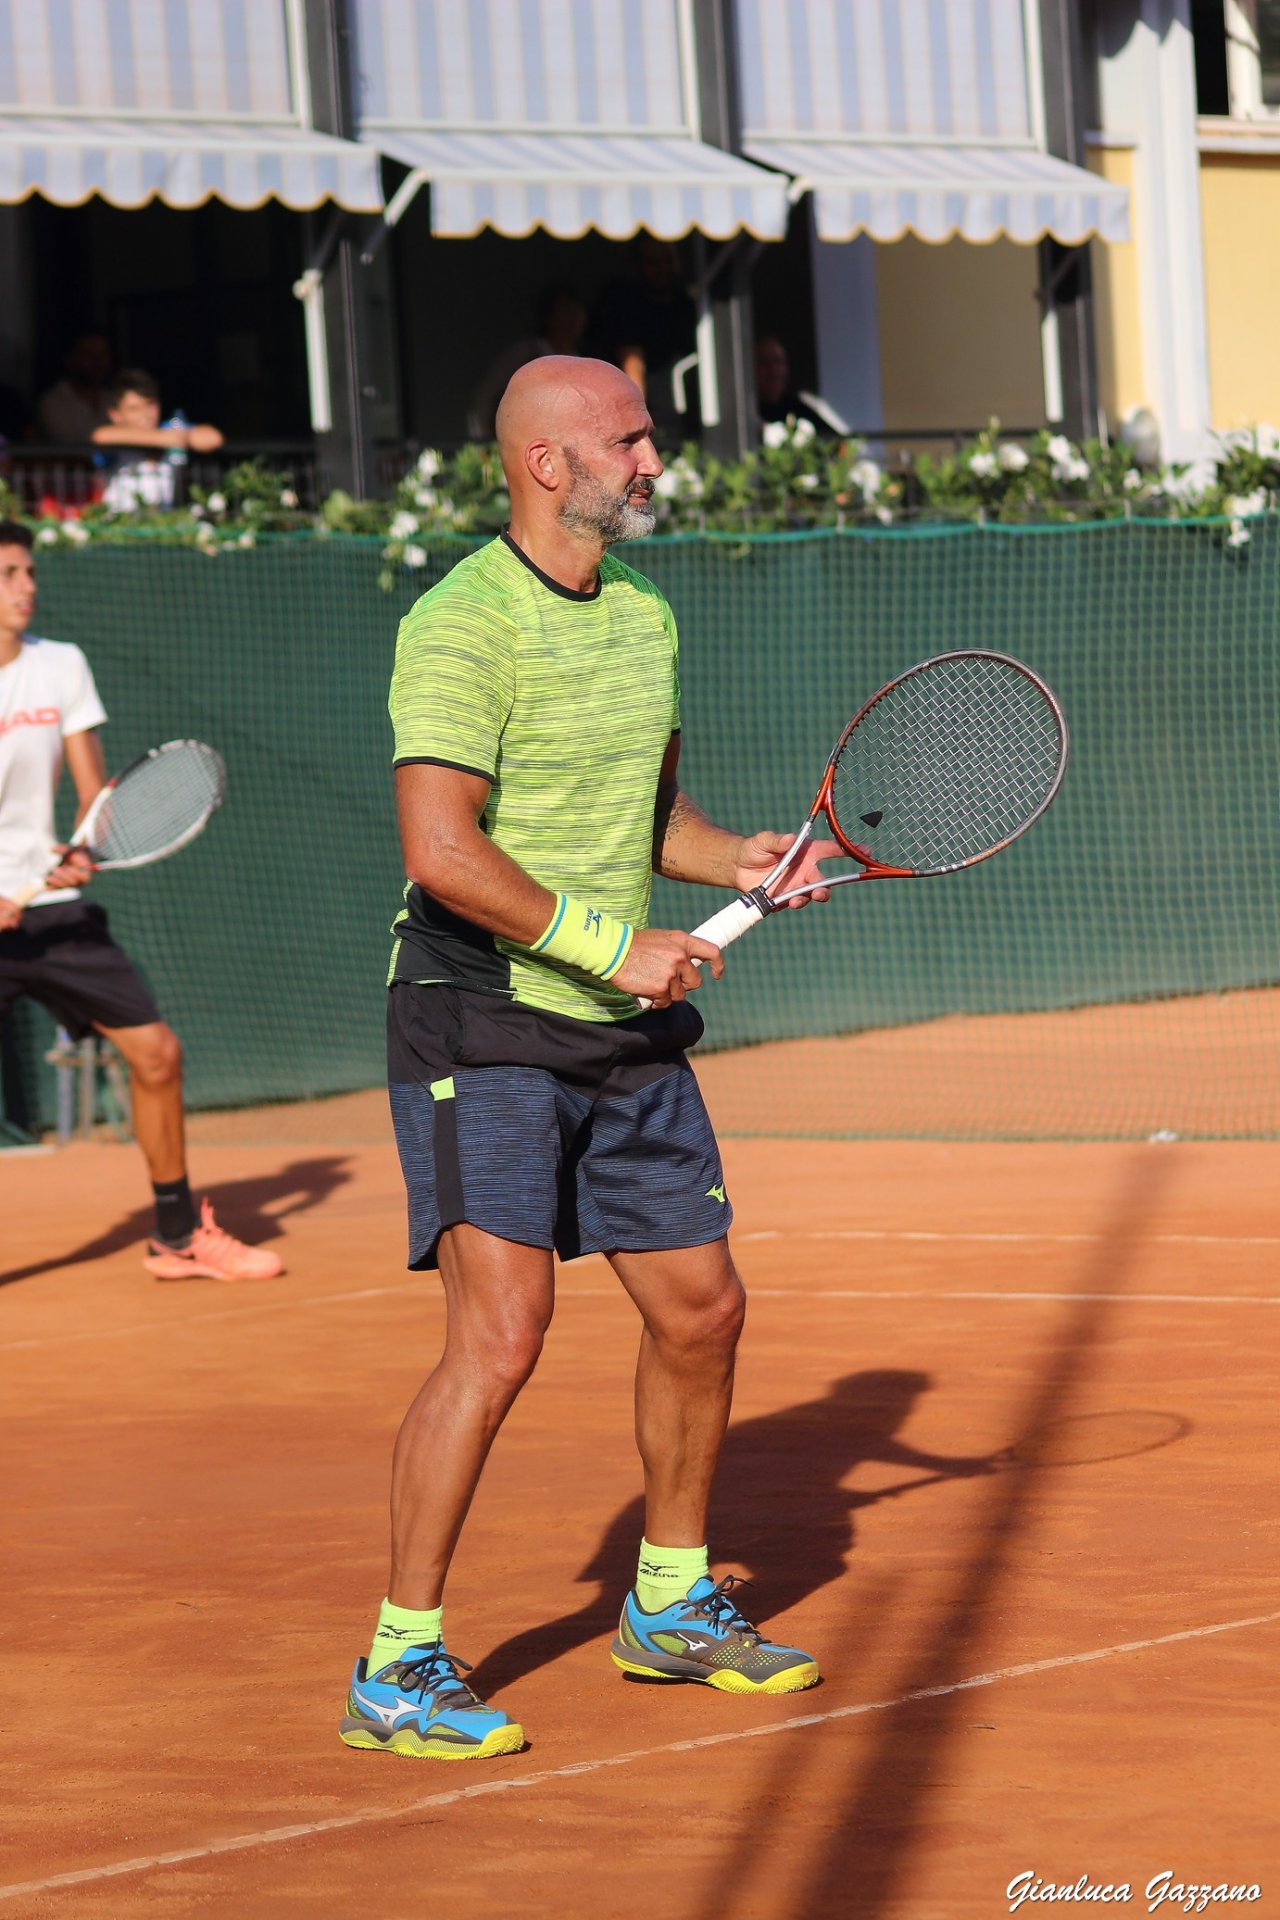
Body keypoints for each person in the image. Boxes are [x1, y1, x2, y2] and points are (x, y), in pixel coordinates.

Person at [340, 356, 837, 1762]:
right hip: (480, 1015)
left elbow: (649, 818)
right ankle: (400, 1662)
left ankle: (670, 1605)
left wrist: (732, 853)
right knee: (501, 1339)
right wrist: (615, 947)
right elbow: (442, 855)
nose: (654, 459)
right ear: (550, 465)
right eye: (631, 439)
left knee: (704, 1311)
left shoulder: (644, 616)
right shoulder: (461, 624)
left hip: (617, 1030)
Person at [0, 517, 283, 1282]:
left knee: (156, 1054)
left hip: (52, 914)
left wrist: (82, 851)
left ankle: (176, 1233)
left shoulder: (59, 665)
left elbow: (97, 794)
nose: (27, 587)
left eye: (28, 571)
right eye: (9, 575)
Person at [587, 237, 697, 437]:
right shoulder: (629, 307)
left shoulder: (688, 306)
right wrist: (639, 429)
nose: (662, 268)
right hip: (656, 424)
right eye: (653, 263)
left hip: (692, 421)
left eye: (668, 260)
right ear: (638, 266)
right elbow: (633, 365)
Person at [466, 284, 588, 441]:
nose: (574, 318)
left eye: (578, 311)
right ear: (549, 315)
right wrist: (483, 443)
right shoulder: (526, 352)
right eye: (566, 311)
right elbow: (485, 396)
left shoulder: (583, 361)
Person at [91, 370, 223, 511]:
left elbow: (213, 438)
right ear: (115, 415)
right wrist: (164, 438)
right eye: (134, 408)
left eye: (150, 405)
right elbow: (100, 436)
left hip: (162, 523)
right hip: (120, 523)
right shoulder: (115, 435)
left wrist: (178, 437)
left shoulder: (169, 428)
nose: (145, 415)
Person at [755, 334, 848, 438]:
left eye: (778, 361)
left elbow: (835, 441)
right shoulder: (748, 412)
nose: (773, 371)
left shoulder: (797, 407)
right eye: (765, 363)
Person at [36, 331, 114, 444]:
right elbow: (70, 445)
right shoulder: (53, 402)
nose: (98, 362)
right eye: (89, 355)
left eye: (103, 354)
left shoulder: (113, 398)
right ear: (69, 359)